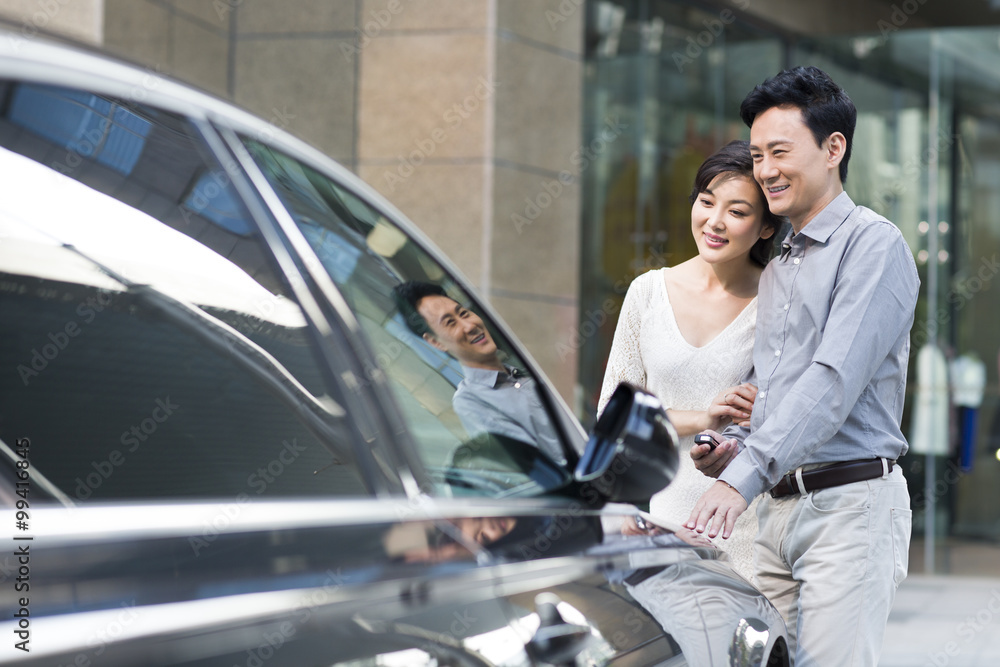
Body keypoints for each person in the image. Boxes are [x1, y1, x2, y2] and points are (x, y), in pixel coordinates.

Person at [686, 66, 919, 665]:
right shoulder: (783, 261)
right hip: (776, 513)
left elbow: (833, 380)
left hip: (849, 507)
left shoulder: (874, 245)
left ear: (833, 148)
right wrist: (732, 442)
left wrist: (743, 477)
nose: (764, 170)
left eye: (780, 152)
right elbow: (776, 384)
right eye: (758, 154)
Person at [598, 140, 782, 582]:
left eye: (737, 212)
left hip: (749, 523)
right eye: (706, 202)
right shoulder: (647, 292)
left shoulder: (778, 299)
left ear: (765, 229)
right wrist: (703, 416)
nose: (714, 222)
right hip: (665, 519)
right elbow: (612, 415)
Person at [393, 281, 566, 465]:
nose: (469, 326)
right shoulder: (471, 402)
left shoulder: (526, 369)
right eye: (451, 323)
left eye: (463, 313)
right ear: (436, 342)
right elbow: (538, 466)